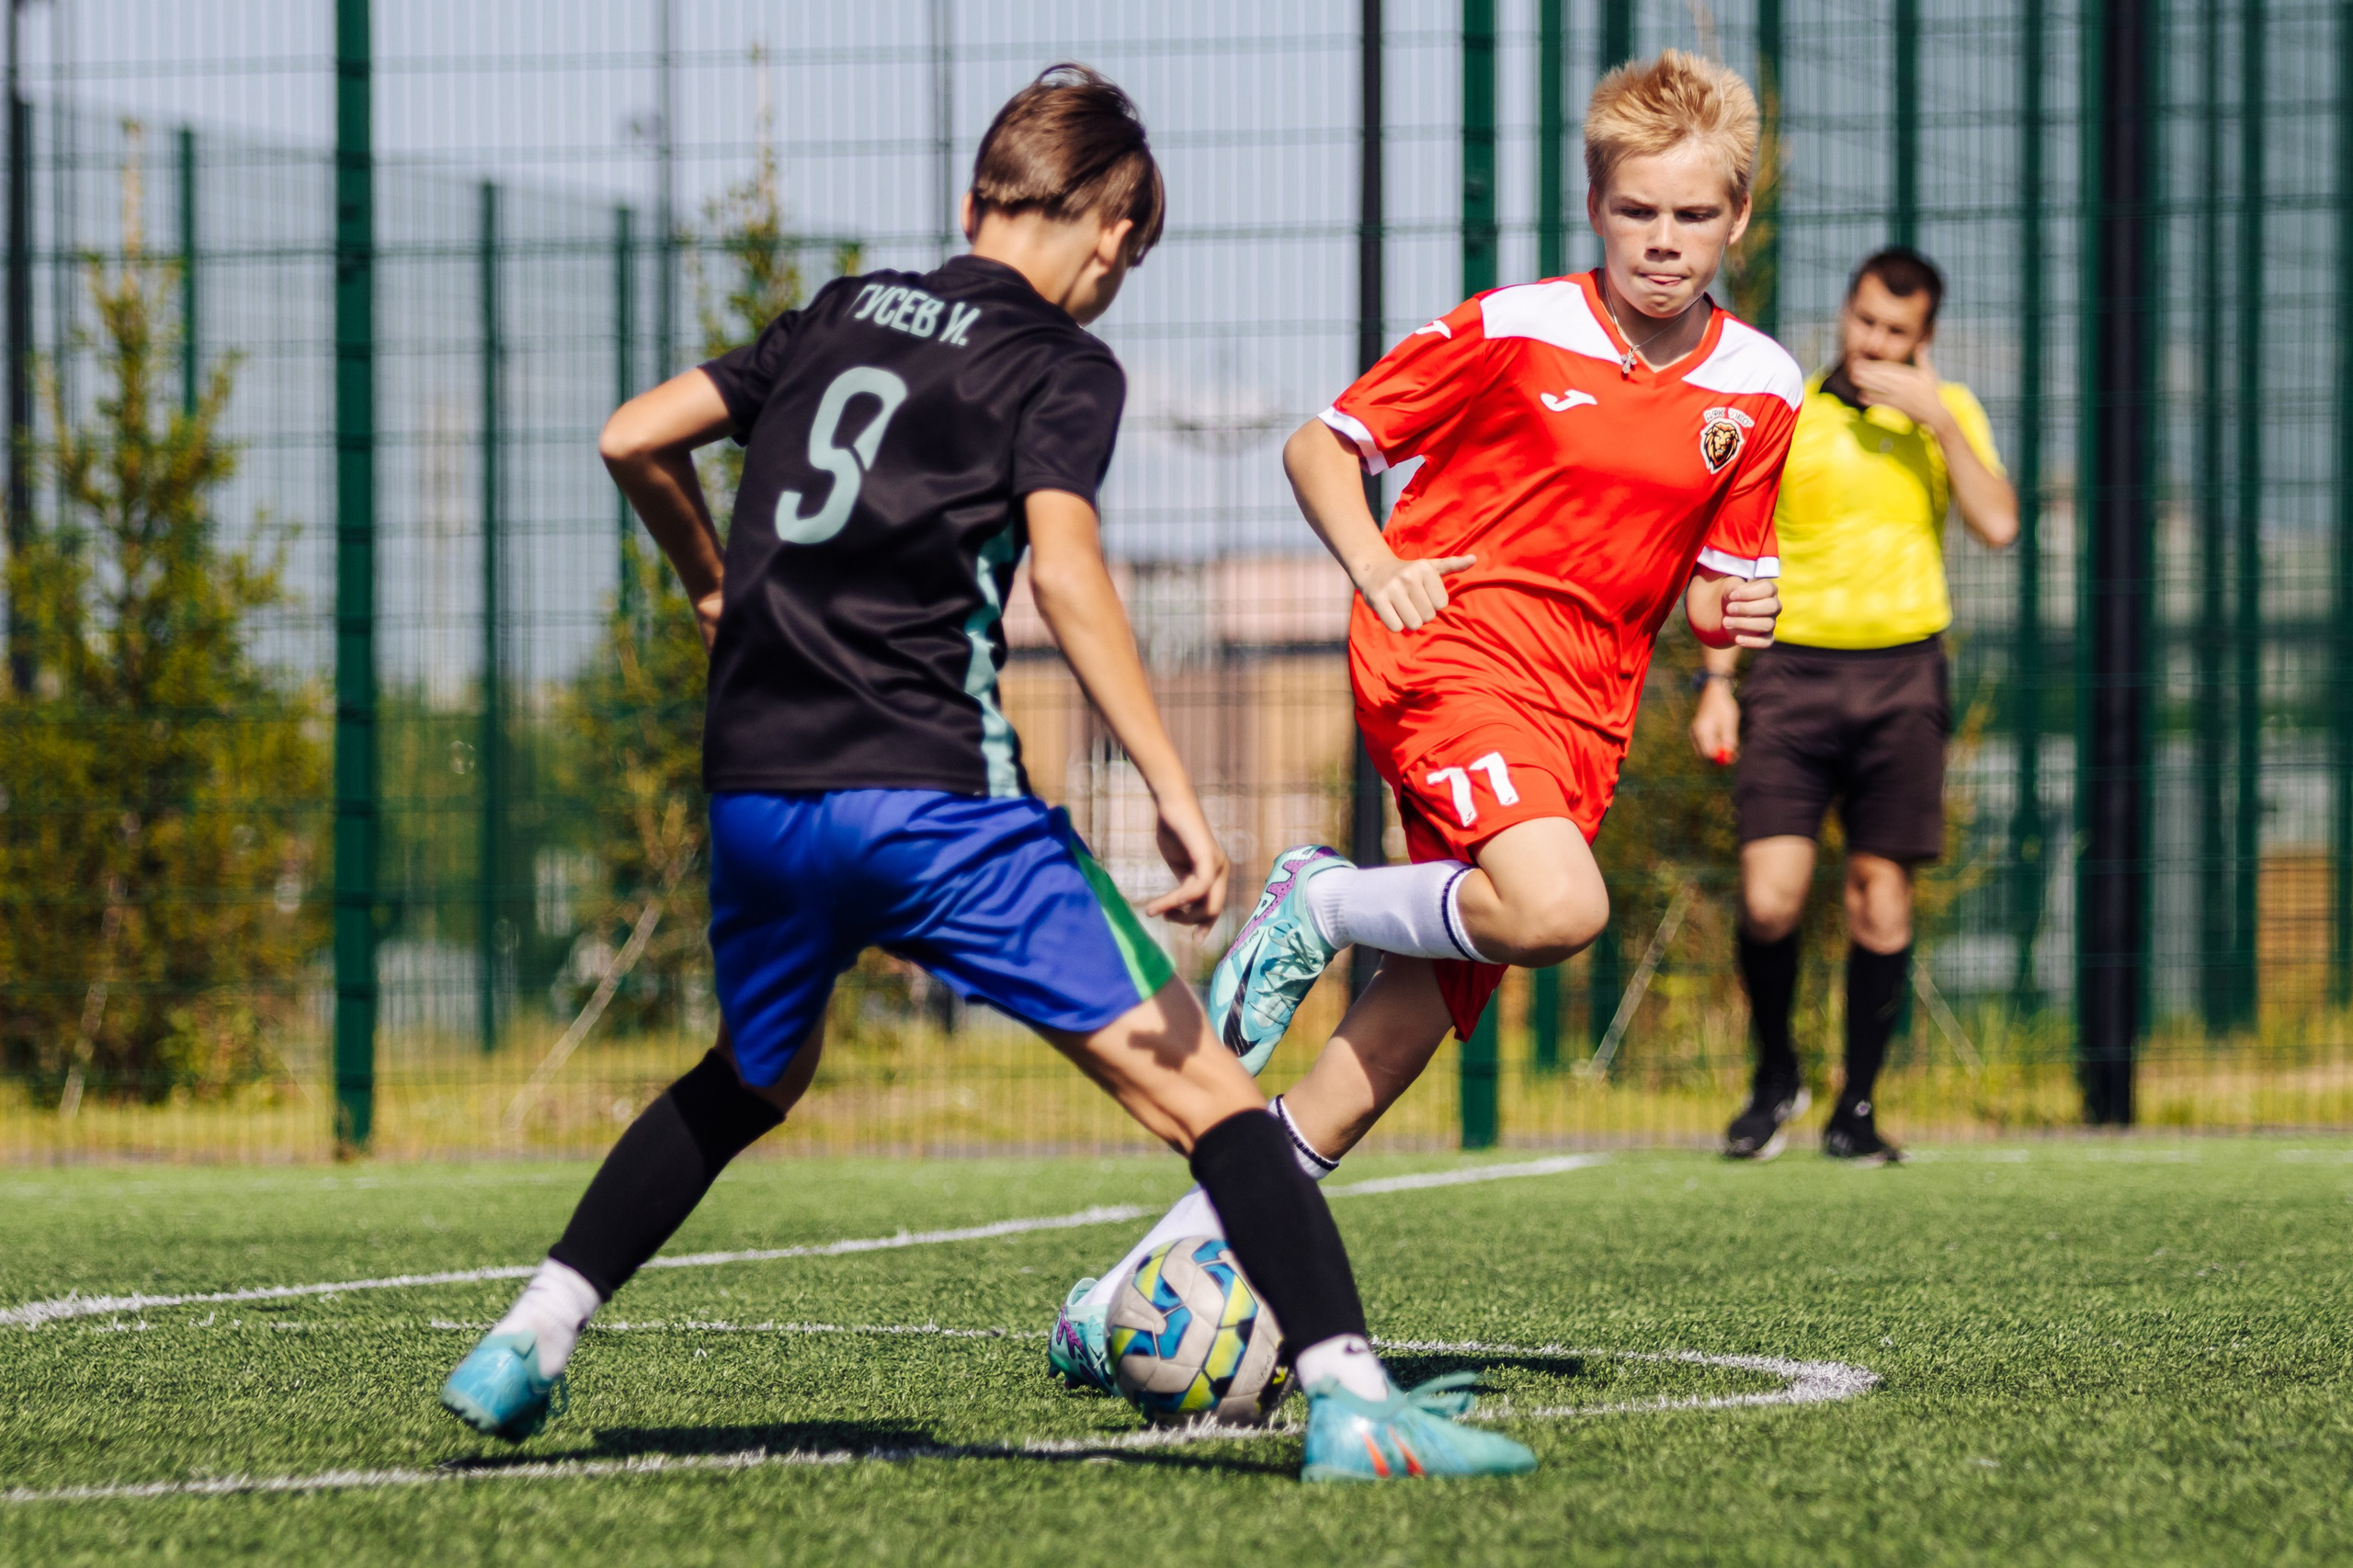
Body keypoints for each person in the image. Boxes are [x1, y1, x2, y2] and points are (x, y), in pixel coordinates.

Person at [437, 65, 1533, 1484]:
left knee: (753, 1074)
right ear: (1112, 234)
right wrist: (1175, 787)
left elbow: (631, 436)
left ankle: (530, 1334)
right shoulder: (1063, 363)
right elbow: (1066, 573)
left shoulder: (841, 313)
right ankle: (1350, 1399)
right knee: (1204, 1091)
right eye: (1128, 255)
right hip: (934, 803)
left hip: (761, 795)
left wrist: (713, 585)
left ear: (973, 201)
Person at [1050, 51, 1798, 1388]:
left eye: (1694, 215)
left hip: (1586, 712)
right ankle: (1323, 901)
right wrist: (1375, 564)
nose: (1665, 242)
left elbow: (1714, 581)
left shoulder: (1765, 388)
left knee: (1374, 1061)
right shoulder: (1519, 328)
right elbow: (1321, 445)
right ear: (1597, 207)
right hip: (1448, 652)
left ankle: (1118, 1293)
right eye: (1639, 212)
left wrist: (1733, 628)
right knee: (1561, 906)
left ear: (1739, 219)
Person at [1690, 247, 2017, 1165]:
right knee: (1769, 897)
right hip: (1789, 676)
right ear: (1845, 312)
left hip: (1904, 677)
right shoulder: (1790, 408)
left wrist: (1940, 424)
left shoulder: (1946, 416)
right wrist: (1716, 684)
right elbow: (1734, 553)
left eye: (1896, 331)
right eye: (1864, 320)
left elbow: (1997, 525)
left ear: (1925, 339)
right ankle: (1774, 1075)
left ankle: (1857, 1107)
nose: (1874, 341)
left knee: (1880, 898)